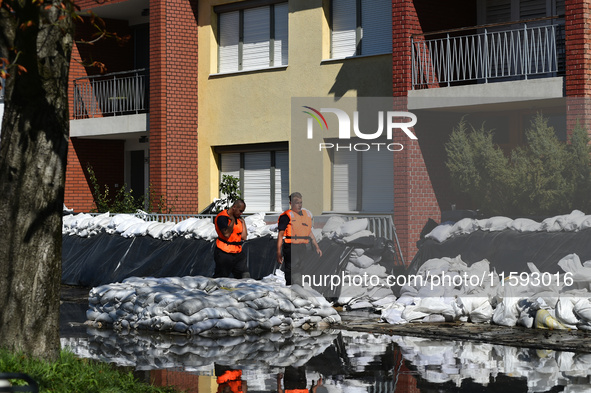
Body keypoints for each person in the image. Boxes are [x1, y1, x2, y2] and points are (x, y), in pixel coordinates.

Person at [276, 192, 322, 285]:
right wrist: (278, 252)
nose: (299, 205)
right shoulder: (286, 216)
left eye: (301, 202)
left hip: (302, 246)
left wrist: (317, 247)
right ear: (291, 203)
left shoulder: (306, 215)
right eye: (297, 203)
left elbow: (309, 232)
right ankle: (292, 286)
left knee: (301, 267)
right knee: (293, 268)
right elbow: (280, 235)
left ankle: (297, 287)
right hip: (290, 246)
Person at [214, 199, 249, 278]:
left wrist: (243, 223)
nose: (241, 213)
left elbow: (244, 237)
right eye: (240, 211)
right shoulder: (222, 217)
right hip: (224, 252)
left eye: (242, 211)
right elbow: (226, 234)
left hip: (237, 252)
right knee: (221, 278)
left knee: (245, 276)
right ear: (234, 207)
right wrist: (232, 221)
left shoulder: (239, 219)